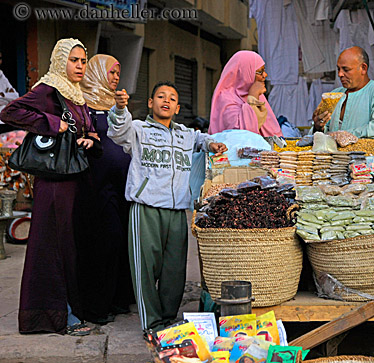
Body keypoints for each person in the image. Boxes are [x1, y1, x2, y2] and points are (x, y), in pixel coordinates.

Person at [108, 81, 227, 331]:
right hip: (146, 208)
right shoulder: (138, 129)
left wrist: (211, 144)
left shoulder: (185, 133)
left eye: (172, 98)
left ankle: (168, 319)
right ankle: (151, 324)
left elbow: (200, 139)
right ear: (150, 103)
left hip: (177, 211)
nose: (166, 101)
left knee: (174, 270)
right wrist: (120, 110)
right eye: (160, 96)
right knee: (146, 269)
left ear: (177, 107)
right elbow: (118, 132)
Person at [0, 38, 99, 336]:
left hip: (73, 181)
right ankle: (56, 316)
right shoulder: (48, 89)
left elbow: (85, 128)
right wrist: (52, 123)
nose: (80, 66)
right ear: (60, 62)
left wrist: (89, 138)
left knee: (69, 246)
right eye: (74, 60)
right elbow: (10, 112)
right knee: (52, 247)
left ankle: (70, 309)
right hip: (54, 185)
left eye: (83, 61)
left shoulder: (75, 94)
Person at [79, 54, 134, 324]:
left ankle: (117, 300)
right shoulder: (81, 102)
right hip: (97, 187)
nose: (115, 78)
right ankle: (96, 306)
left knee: (121, 241)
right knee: (104, 242)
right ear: (99, 72)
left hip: (122, 186)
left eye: (117, 73)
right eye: (111, 72)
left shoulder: (116, 103)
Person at [312, 46, 374, 138]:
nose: (340, 74)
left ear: (363, 68)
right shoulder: (335, 94)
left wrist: (340, 136)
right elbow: (323, 131)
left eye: (346, 69)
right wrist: (318, 127)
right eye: (338, 69)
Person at [208, 50, 282, 137]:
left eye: (264, 70)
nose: (265, 75)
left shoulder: (258, 96)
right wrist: (253, 98)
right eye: (260, 72)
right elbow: (241, 135)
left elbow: (273, 132)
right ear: (245, 73)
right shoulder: (226, 98)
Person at [0, 50, 20, 132]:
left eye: (0, 58)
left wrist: (3, 95)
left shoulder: (1, 74)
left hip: (6, 120)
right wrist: (7, 94)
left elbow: (16, 96)